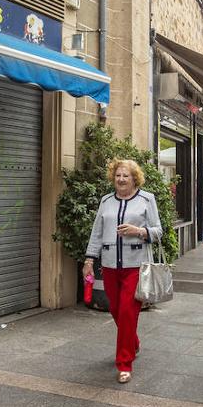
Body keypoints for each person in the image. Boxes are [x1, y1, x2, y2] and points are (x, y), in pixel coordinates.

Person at [83, 158, 164, 384]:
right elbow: (97, 232)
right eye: (118, 175)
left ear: (134, 178)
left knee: (128, 311)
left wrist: (139, 231)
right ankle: (133, 342)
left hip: (136, 265)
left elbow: (158, 231)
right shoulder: (106, 200)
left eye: (125, 175)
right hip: (109, 264)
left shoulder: (147, 199)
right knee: (117, 309)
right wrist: (90, 259)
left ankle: (124, 363)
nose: (121, 179)